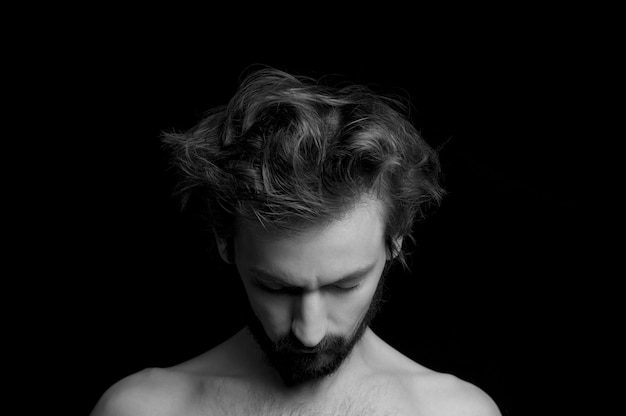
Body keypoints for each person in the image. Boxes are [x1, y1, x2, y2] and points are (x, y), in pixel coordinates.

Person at [91, 67, 501, 415]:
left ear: (395, 242)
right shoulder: (144, 409)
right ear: (224, 243)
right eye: (275, 287)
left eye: (345, 285)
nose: (309, 332)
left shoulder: (454, 412)